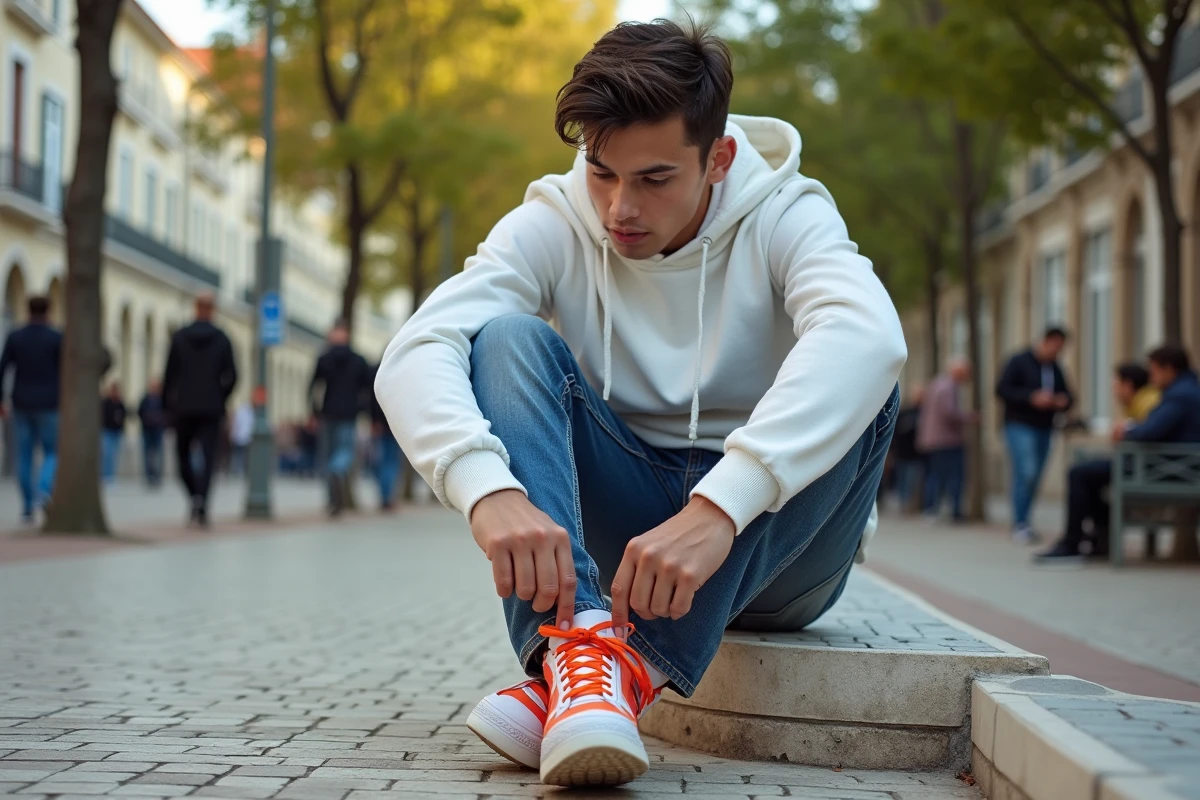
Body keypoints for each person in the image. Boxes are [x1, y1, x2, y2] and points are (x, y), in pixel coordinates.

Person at [374, 20, 906, 788]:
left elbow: (870, 337)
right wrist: (483, 489)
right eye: (601, 172)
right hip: (623, 552)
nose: (619, 207)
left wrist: (719, 507)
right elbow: (417, 347)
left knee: (870, 381)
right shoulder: (558, 219)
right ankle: (581, 651)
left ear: (718, 159)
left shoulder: (786, 213)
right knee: (507, 339)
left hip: (778, 555)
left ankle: (598, 673)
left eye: (654, 179)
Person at [1036, 345, 1200, 563]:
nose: (1151, 378)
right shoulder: (1186, 390)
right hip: (1169, 465)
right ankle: (1100, 540)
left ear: (1169, 369)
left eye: (1154, 371)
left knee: (1079, 473)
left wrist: (1127, 430)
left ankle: (1072, 543)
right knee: (1089, 474)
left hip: (1165, 468)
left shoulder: (1179, 396)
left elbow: (1148, 431)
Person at [163, 293, 238, 528]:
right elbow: (233, 375)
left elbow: (169, 374)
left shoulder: (180, 337)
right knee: (208, 458)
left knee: (181, 456)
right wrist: (221, 396)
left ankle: (194, 495)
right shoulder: (223, 339)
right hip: (212, 407)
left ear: (195, 309)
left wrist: (169, 404)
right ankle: (203, 502)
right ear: (213, 310)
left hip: (183, 406)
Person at [996, 327, 1073, 544]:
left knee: (1036, 475)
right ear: (1046, 342)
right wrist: (1031, 397)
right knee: (1026, 471)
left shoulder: (1055, 368)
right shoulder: (1019, 361)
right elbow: (1002, 389)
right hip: (1019, 425)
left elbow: (1069, 395)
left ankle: (1025, 521)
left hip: (1045, 427)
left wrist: (1060, 401)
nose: (1057, 352)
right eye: (1055, 347)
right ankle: (1020, 522)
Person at [0, 295, 62, 524]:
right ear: (48, 311)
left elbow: (3, 367)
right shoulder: (56, 338)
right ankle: (43, 489)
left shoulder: (16, 336)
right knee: (52, 452)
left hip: (21, 402)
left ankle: (27, 507)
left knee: (23, 456)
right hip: (50, 404)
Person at [309, 319, 371, 515]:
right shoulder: (358, 360)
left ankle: (332, 500)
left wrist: (312, 412)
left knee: (326, 456)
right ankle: (338, 472)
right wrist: (364, 409)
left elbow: (313, 387)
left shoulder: (324, 358)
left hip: (328, 413)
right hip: (349, 413)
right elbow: (369, 388)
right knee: (344, 451)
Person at [917, 360, 974, 522]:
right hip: (946, 440)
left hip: (932, 440)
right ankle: (951, 511)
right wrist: (970, 418)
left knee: (934, 475)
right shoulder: (948, 387)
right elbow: (950, 413)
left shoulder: (936, 384)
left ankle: (930, 509)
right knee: (952, 476)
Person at [370, 362, 404, 511]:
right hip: (397, 425)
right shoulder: (402, 372)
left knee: (383, 461)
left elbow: (372, 398)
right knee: (391, 462)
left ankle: (384, 495)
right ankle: (388, 496)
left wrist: (374, 420)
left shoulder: (379, 372)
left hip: (382, 426)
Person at [890, 386, 925, 511]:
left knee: (912, 478)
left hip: (915, 452)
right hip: (903, 451)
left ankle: (910, 503)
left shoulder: (924, 412)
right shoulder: (906, 411)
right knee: (904, 478)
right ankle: (904, 503)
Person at [138, 379, 167, 487]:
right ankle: (149, 476)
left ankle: (157, 477)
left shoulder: (163, 399)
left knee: (159, 454)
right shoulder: (145, 399)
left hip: (158, 430)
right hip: (147, 430)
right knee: (147, 454)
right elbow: (140, 412)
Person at [100, 383, 127, 484]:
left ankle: (111, 475)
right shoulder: (106, 403)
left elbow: (124, 415)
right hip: (107, 430)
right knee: (107, 454)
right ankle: (106, 475)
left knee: (114, 454)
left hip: (117, 431)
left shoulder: (120, 403)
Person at [229, 401, 254, 476]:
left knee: (239, 455)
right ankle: (240, 470)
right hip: (244, 438)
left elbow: (236, 425)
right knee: (242, 455)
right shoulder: (249, 413)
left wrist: (233, 435)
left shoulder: (242, 413)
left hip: (241, 437)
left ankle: (239, 470)